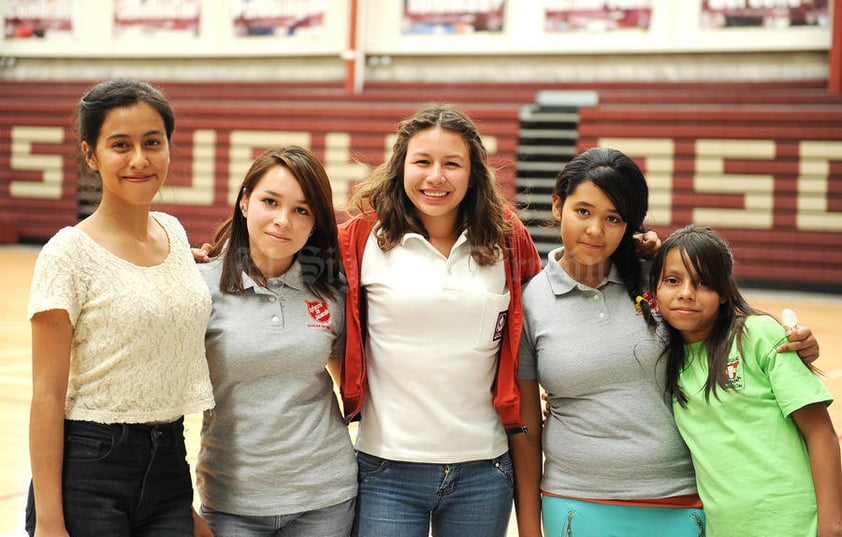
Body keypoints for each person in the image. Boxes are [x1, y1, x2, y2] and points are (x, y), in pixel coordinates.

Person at [513, 147, 821, 537]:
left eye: (613, 218)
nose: (595, 230)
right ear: (558, 206)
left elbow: (734, 330)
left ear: (630, 225)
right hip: (576, 502)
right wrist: (528, 528)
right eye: (583, 212)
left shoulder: (662, 279)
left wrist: (796, 343)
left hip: (681, 500)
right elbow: (526, 428)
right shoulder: (530, 302)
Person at [338, 103, 543, 537]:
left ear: (473, 173)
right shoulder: (360, 238)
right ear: (400, 166)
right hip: (385, 470)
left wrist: (638, 263)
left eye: (452, 163)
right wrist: (209, 262)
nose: (436, 177)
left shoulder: (507, 238)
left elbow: (550, 304)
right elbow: (283, 264)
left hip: (484, 472)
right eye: (423, 162)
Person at [26, 78, 214, 536]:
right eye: (120, 145)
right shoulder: (66, 254)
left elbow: (153, 288)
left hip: (169, 461)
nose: (139, 159)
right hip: (91, 468)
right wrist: (51, 522)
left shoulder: (174, 233)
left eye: (153, 143)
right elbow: (47, 396)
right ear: (91, 155)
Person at [194, 145, 357, 536]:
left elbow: (347, 381)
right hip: (232, 501)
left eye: (301, 210)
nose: (283, 220)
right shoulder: (198, 286)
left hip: (326, 497)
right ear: (245, 201)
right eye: (271, 201)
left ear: (316, 221)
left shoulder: (332, 290)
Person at [651, 224, 842, 537]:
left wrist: (832, 527)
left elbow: (821, 432)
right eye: (673, 281)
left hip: (796, 526)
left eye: (702, 283)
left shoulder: (758, 335)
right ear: (655, 288)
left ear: (725, 292)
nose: (686, 292)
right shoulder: (663, 355)